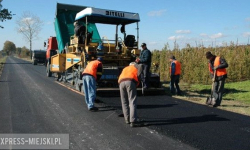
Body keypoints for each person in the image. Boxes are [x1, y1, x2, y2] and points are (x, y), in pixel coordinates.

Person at [118, 62, 144, 127]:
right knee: (132, 101)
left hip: (121, 83)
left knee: (124, 102)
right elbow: (141, 65)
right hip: (130, 81)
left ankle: (127, 119)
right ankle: (133, 121)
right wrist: (138, 77)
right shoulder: (135, 66)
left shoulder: (125, 68)